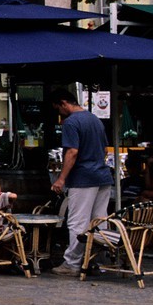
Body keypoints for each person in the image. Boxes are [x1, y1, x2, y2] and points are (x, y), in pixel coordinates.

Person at [50, 89, 113, 276]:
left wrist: (61, 179)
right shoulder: (95, 119)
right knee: (99, 220)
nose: (59, 113)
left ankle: (73, 263)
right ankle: (95, 259)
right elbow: (103, 150)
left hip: (83, 177)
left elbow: (72, 152)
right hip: (102, 175)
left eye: (58, 109)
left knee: (78, 222)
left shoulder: (71, 122)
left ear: (64, 103)